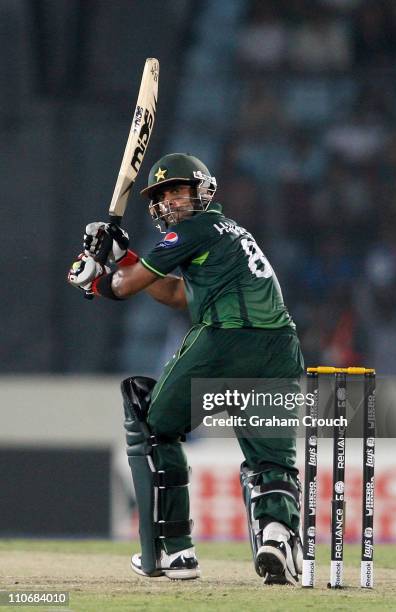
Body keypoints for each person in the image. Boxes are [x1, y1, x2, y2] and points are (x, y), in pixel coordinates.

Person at [68, 153, 305, 585]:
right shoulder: (229, 231)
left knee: (155, 424)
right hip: (280, 348)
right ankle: (277, 537)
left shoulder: (193, 228)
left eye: (177, 191)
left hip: (224, 340)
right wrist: (124, 257)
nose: (170, 202)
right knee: (271, 458)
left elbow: (127, 288)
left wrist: (95, 278)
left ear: (202, 191)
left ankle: (174, 552)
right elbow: (178, 295)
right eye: (162, 196)